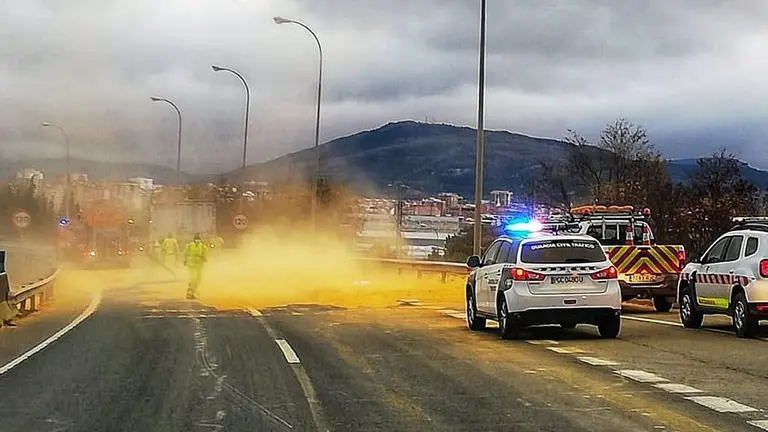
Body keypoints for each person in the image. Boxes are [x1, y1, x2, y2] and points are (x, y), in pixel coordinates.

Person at [183, 233, 208, 300]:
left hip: (199, 266)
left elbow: (205, 256)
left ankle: (192, 292)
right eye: (196, 239)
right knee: (193, 278)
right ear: (194, 239)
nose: (197, 240)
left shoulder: (203, 247)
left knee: (197, 279)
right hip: (191, 265)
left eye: (198, 239)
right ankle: (190, 293)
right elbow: (185, 253)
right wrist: (185, 260)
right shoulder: (189, 246)